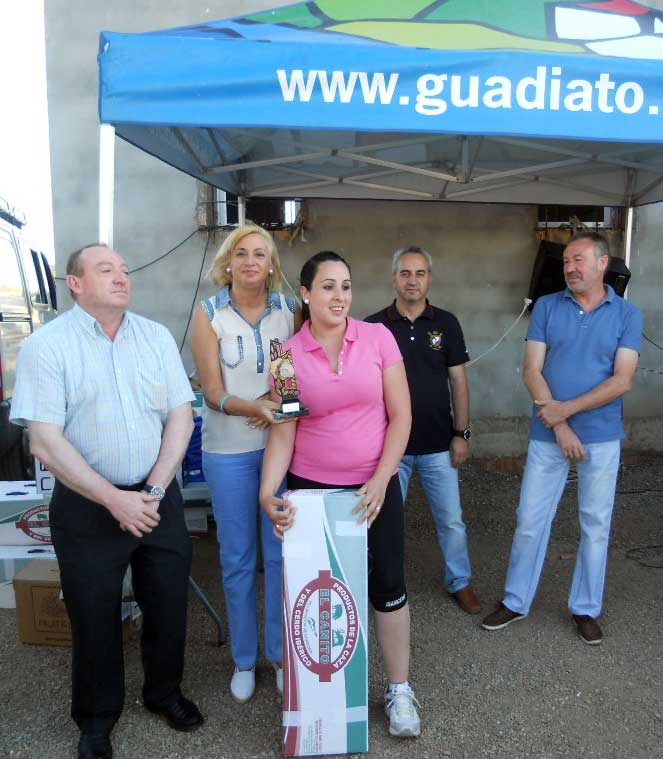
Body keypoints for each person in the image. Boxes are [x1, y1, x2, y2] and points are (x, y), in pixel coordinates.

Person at [10, 243, 203, 759]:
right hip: (87, 505)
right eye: (105, 269)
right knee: (93, 615)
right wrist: (113, 499)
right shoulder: (48, 346)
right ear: (75, 283)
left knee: (167, 603)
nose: (121, 275)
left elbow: (180, 417)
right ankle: (96, 719)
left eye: (123, 267)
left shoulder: (155, 337)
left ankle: (164, 692)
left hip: (155, 494)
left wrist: (155, 492)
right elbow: (44, 441)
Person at [259, 251, 422, 738]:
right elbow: (284, 433)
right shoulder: (285, 357)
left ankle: (399, 689)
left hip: (375, 488)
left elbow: (402, 416)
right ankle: (320, 696)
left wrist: (380, 478)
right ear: (306, 293)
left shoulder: (378, 338)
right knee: (322, 596)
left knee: (388, 585)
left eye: (346, 286)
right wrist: (269, 492)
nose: (340, 296)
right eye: (328, 286)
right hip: (312, 492)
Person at [482, 232, 642, 645]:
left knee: (596, 524)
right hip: (548, 432)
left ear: (603, 263)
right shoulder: (548, 307)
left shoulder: (627, 314)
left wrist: (565, 411)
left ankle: (586, 608)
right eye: (567, 261)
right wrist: (560, 425)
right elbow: (532, 369)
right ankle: (516, 601)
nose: (570, 267)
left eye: (579, 260)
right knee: (531, 521)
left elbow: (623, 380)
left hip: (601, 436)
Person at [190, 224, 301, 703]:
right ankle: (243, 659)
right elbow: (211, 392)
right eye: (242, 253)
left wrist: (272, 402)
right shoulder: (208, 314)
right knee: (237, 559)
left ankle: (278, 655)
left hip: (279, 447)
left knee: (279, 556)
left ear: (272, 264)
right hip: (228, 452)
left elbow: (292, 381)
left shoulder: (288, 312)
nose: (252, 261)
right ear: (228, 263)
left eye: (261, 253)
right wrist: (252, 406)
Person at [366, 245, 480, 615]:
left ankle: (459, 582)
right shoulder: (373, 326)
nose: (412, 280)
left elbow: (458, 382)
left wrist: (461, 434)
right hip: (389, 449)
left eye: (419, 273)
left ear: (429, 278)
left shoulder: (446, 323)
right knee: (381, 521)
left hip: (437, 445)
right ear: (394, 278)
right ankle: (381, 583)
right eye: (405, 273)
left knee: (451, 520)